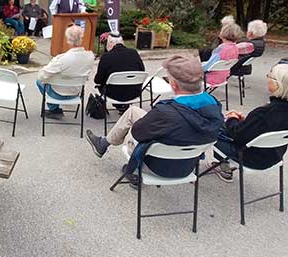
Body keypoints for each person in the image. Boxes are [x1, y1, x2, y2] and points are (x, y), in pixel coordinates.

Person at [86, 55, 223, 182]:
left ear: (174, 85)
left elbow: (138, 134)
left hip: (156, 166)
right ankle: (103, 144)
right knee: (133, 111)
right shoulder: (214, 106)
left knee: (135, 128)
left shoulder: (165, 112)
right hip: (188, 166)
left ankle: (123, 162)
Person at [212, 63, 288, 182]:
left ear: (279, 85)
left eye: (271, 76)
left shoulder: (265, 113)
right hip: (275, 155)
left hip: (248, 156)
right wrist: (247, 122)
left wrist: (232, 118)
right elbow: (267, 127)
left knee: (212, 125)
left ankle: (195, 163)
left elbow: (237, 134)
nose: (268, 77)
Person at [36, 26, 95, 117]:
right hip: (76, 93)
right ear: (81, 39)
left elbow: (42, 75)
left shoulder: (62, 59)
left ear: (68, 40)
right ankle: (55, 109)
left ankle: (54, 110)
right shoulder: (90, 57)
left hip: (58, 94)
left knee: (39, 81)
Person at [94, 32, 145, 103]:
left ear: (110, 43)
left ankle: (120, 106)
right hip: (134, 93)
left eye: (107, 43)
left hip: (112, 94)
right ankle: (123, 107)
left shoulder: (106, 57)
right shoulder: (134, 53)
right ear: (122, 42)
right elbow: (142, 70)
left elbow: (98, 80)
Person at [203, 21, 243, 87]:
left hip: (209, 78)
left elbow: (207, 67)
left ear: (222, 34)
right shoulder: (236, 48)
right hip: (223, 77)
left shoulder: (221, 49)